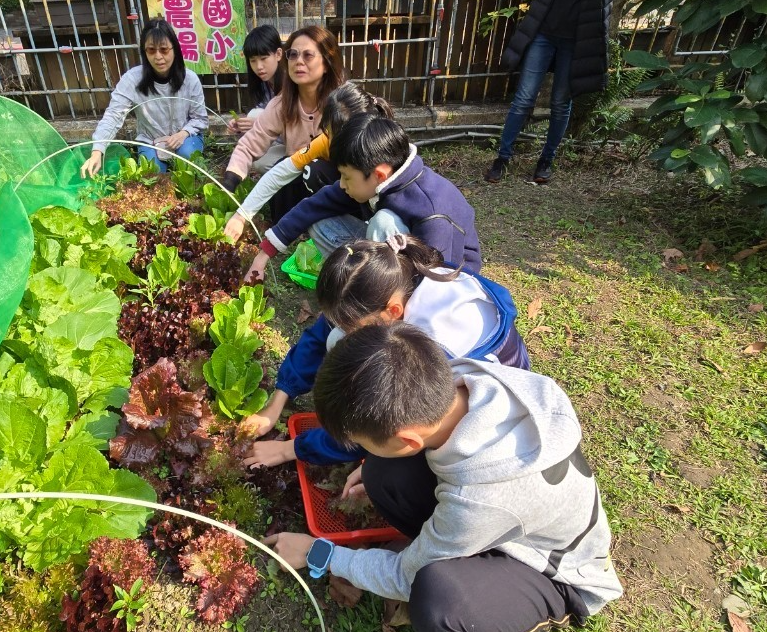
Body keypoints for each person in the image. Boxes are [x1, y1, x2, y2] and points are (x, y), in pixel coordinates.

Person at [263, 322, 623, 632]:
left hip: (553, 571)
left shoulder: (478, 499)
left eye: (360, 443)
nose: (359, 449)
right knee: (380, 471)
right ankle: (440, 541)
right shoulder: (466, 378)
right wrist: (372, 461)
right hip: (503, 516)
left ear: (407, 440)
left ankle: (533, 605)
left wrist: (320, 552)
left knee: (439, 598)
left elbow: (405, 577)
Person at [242, 234, 529, 471]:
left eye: (350, 323)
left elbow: (375, 418)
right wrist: (277, 401)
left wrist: (287, 450)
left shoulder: (428, 347)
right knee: (337, 339)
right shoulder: (391, 278)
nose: (340, 328)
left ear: (393, 312)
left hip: (484, 411)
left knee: (393, 463)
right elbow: (321, 334)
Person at [243, 114, 481, 282]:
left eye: (346, 177)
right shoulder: (377, 179)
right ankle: (361, 284)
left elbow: (439, 279)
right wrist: (262, 256)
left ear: (378, 175)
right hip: (396, 259)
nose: (341, 184)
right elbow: (313, 206)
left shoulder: (432, 211)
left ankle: (374, 297)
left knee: (384, 222)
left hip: (443, 275)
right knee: (317, 220)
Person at [223, 82, 394, 243]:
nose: (329, 140)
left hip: (383, 216)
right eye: (327, 132)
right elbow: (279, 173)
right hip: (354, 197)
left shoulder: (386, 151)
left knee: (382, 221)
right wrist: (242, 215)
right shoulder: (327, 140)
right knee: (313, 171)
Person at [221, 26, 345, 221]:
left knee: (313, 170)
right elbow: (250, 144)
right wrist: (230, 180)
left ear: (327, 63)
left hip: (340, 177)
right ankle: (288, 227)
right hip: (296, 168)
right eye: (293, 55)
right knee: (284, 167)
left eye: (308, 56)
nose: (298, 62)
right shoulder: (282, 103)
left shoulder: (342, 102)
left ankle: (328, 220)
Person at [484, 0, 613, 184]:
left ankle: (546, 160)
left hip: (576, 41)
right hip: (543, 33)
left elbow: (602, 9)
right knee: (523, 99)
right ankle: (502, 159)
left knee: (561, 103)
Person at [80, 18, 208, 176]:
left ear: (175, 49)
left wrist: (182, 134)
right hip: (151, 141)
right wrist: (97, 150)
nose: (158, 57)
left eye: (164, 49)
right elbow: (114, 115)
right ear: (144, 52)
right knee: (152, 174)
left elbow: (200, 119)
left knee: (188, 156)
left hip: (184, 138)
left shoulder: (190, 79)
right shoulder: (132, 79)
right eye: (151, 50)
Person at [227, 25, 286, 172]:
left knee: (260, 162)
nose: (259, 66)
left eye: (264, 58)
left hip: (300, 144)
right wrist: (241, 124)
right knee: (254, 114)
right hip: (280, 140)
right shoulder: (263, 84)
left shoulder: (291, 83)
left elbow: (299, 126)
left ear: (278, 54)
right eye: (253, 61)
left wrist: (261, 123)